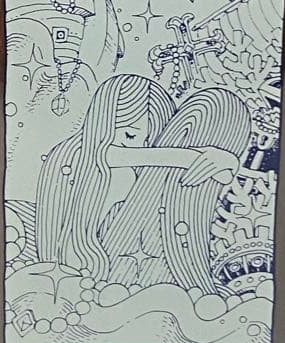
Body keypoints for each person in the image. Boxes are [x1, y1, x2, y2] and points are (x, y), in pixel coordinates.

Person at [35, 73, 251, 294]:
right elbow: (108, 155)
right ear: (103, 123)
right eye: (130, 135)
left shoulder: (138, 179)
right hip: (76, 279)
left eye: (150, 140)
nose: (139, 147)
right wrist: (196, 158)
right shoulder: (75, 154)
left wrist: (223, 162)